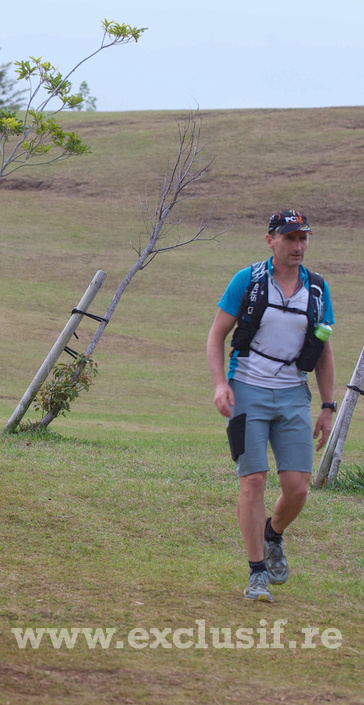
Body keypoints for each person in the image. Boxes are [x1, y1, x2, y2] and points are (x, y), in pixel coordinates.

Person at [205, 209, 336, 603]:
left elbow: (324, 349)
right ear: (270, 240)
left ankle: (273, 534)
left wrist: (328, 406)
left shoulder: (317, 289)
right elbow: (216, 336)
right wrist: (220, 384)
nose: (298, 246)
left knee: (297, 488)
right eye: (289, 238)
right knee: (254, 480)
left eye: (303, 238)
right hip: (246, 389)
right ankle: (257, 571)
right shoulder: (247, 280)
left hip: (294, 393)